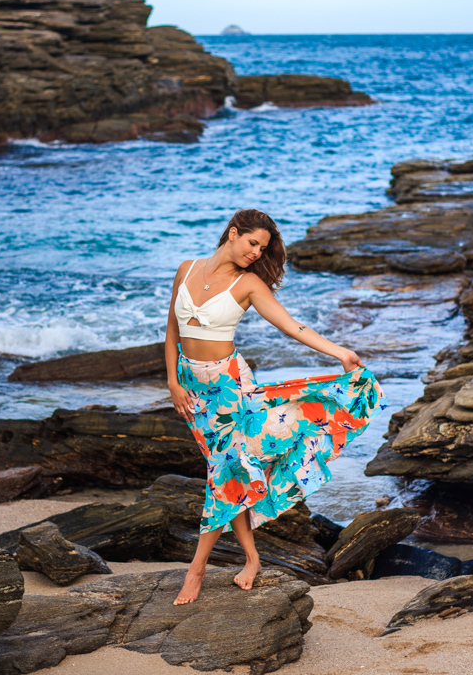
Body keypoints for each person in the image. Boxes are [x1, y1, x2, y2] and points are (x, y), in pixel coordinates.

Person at [166, 208, 387, 605]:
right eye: (253, 243)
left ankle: (196, 569)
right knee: (231, 474)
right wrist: (171, 382)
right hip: (192, 391)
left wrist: (339, 352)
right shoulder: (186, 269)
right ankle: (252, 559)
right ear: (233, 233)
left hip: (229, 389)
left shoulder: (249, 284)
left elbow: (291, 325)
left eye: (263, 248)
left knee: (225, 472)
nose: (256, 252)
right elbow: (171, 330)